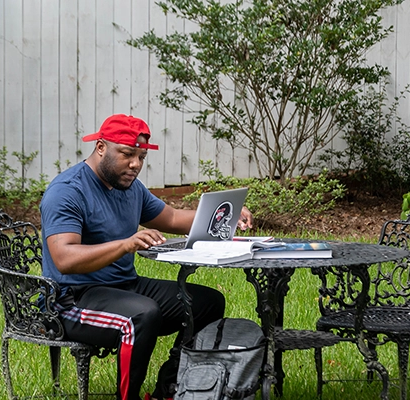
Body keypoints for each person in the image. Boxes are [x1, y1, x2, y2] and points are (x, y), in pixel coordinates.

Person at [40, 114, 253, 400]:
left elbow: (173, 217)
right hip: (71, 298)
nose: (135, 165)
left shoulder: (129, 188)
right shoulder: (68, 191)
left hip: (123, 287)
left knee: (207, 303)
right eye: (127, 154)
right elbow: (64, 258)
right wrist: (125, 245)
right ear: (101, 147)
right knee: (141, 315)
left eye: (141, 157)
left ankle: (170, 387)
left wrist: (225, 212)